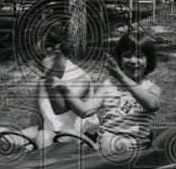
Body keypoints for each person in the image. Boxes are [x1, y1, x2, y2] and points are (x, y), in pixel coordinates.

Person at [58, 30, 160, 159]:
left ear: (149, 60)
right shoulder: (109, 85)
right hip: (104, 146)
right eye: (127, 55)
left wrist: (122, 78)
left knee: (112, 144)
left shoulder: (151, 88)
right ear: (119, 58)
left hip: (133, 152)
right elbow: (85, 111)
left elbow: (152, 105)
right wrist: (63, 89)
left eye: (139, 56)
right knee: (67, 136)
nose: (133, 60)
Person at [0, 27, 96, 149]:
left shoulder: (80, 79)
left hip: (79, 140)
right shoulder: (43, 82)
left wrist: (48, 76)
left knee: (43, 137)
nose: (36, 63)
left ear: (56, 48)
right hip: (47, 137)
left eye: (40, 57)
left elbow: (60, 109)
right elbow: (37, 125)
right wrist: (17, 136)